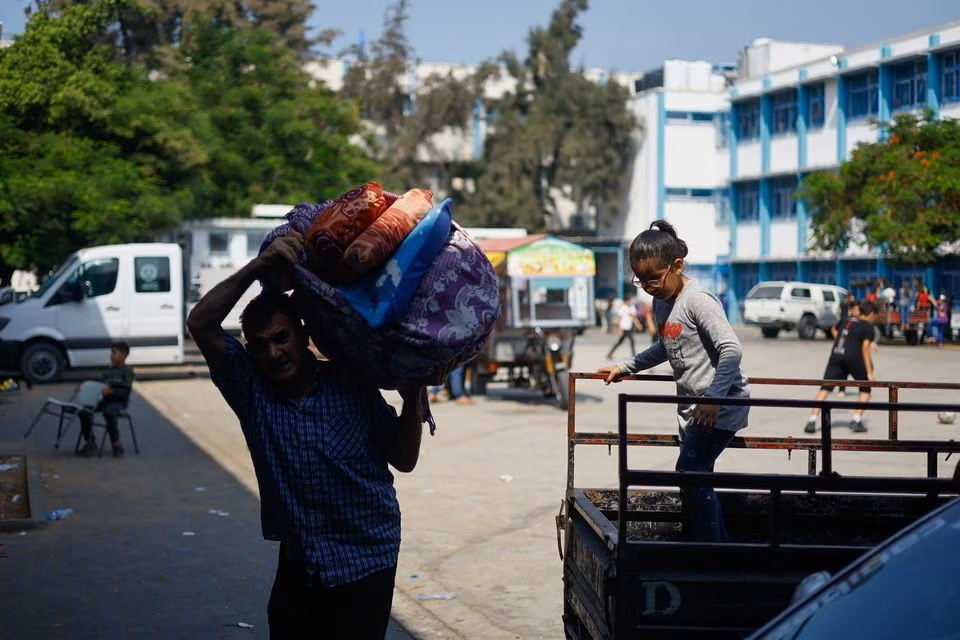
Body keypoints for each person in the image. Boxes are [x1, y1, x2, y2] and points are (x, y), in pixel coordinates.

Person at [186, 229, 426, 640]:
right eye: (260, 346)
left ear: (302, 334)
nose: (273, 352)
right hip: (303, 560)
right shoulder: (251, 392)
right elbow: (201, 323)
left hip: (366, 558)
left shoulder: (351, 382)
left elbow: (403, 459)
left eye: (281, 338)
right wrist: (261, 265)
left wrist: (414, 395)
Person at [596, 220, 750, 543]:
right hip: (695, 409)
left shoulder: (699, 300)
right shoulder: (661, 302)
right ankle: (719, 544)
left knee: (689, 474)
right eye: (641, 280)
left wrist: (713, 399)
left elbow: (731, 350)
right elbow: (665, 347)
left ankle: (714, 550)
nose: (649, 286)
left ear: (677, 266)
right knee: (698, 477)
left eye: (654, 278)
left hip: (720, 405)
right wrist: (625, 367)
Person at [804, 300, 879, 434]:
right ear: (871, 314)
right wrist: (869, 372)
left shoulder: (846, 321)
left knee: (824, 389)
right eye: (875, 317)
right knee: (865, 390)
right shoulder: (867, 326)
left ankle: (812, 420)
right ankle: (856, 420)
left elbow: (835, 330)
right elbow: (865, 349)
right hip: (854, 358)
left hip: (836, 356)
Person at [76, 341, 133, 457]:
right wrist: (83, 387)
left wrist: (113, 391)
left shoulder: (127, 371)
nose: (111, 355)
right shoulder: (108, 370)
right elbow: (101, 384)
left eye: (114, 353)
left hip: (119, 402)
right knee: (83, 412)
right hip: (104, 400)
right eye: (111, 353)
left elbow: (126, 392)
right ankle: (90, 442)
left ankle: (116, 443)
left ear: (123, 355)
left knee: (109, 412)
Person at [605, 293, 640, 359]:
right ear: (625, 301)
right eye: (628, 301)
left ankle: (610, 353)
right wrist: (619, 329)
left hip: (629, 326)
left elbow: (633, 317)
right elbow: (619, 319)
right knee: (630, 341)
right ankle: (634, 355)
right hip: (624, 327)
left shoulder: (632, 307)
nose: (629, 302)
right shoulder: (623, 308)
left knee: (621, 341)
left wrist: (637, 324)